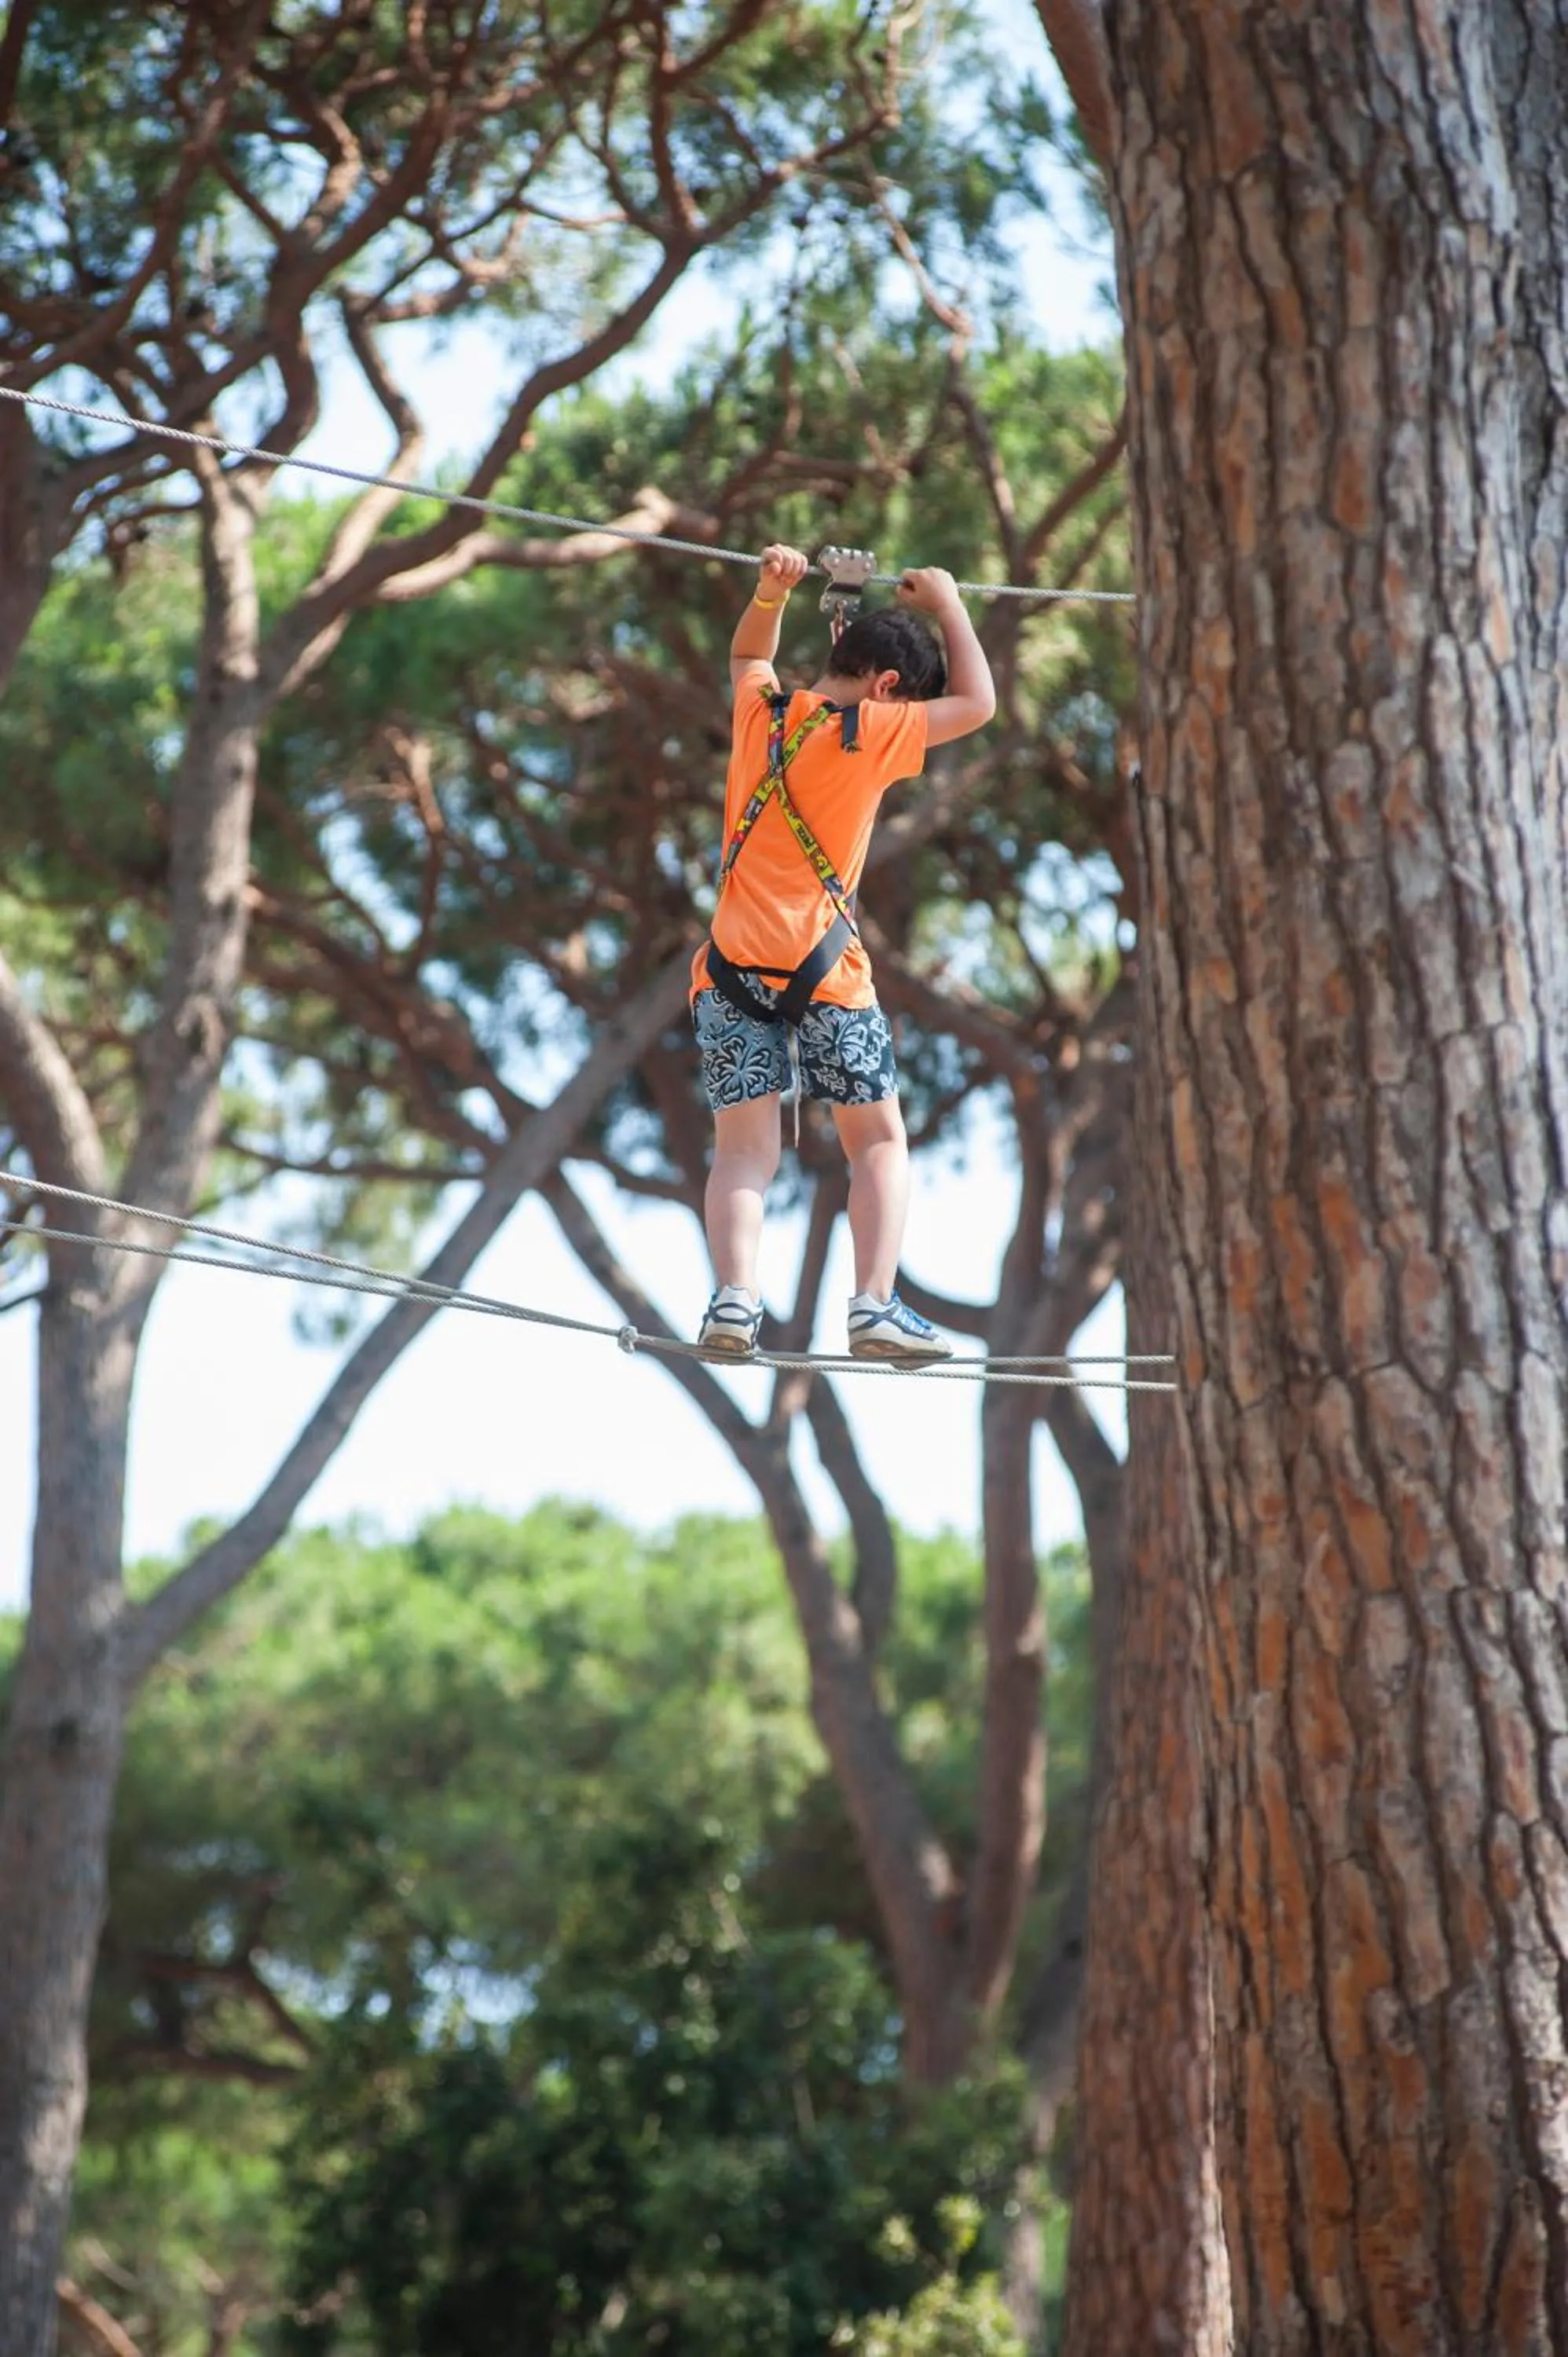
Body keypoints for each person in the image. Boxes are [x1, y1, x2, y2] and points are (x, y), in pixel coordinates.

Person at [692, 541, 996, 1362]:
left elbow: (748, 655)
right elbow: (978, 703)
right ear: (889, 687)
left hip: (728, 974)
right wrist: (949, 603)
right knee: (879, 1142)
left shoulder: (760, 713)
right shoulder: (875, 732)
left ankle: (733, 1299)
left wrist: (770, 593)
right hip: (827, 976)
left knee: (743, 1152)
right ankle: (873, 1304)